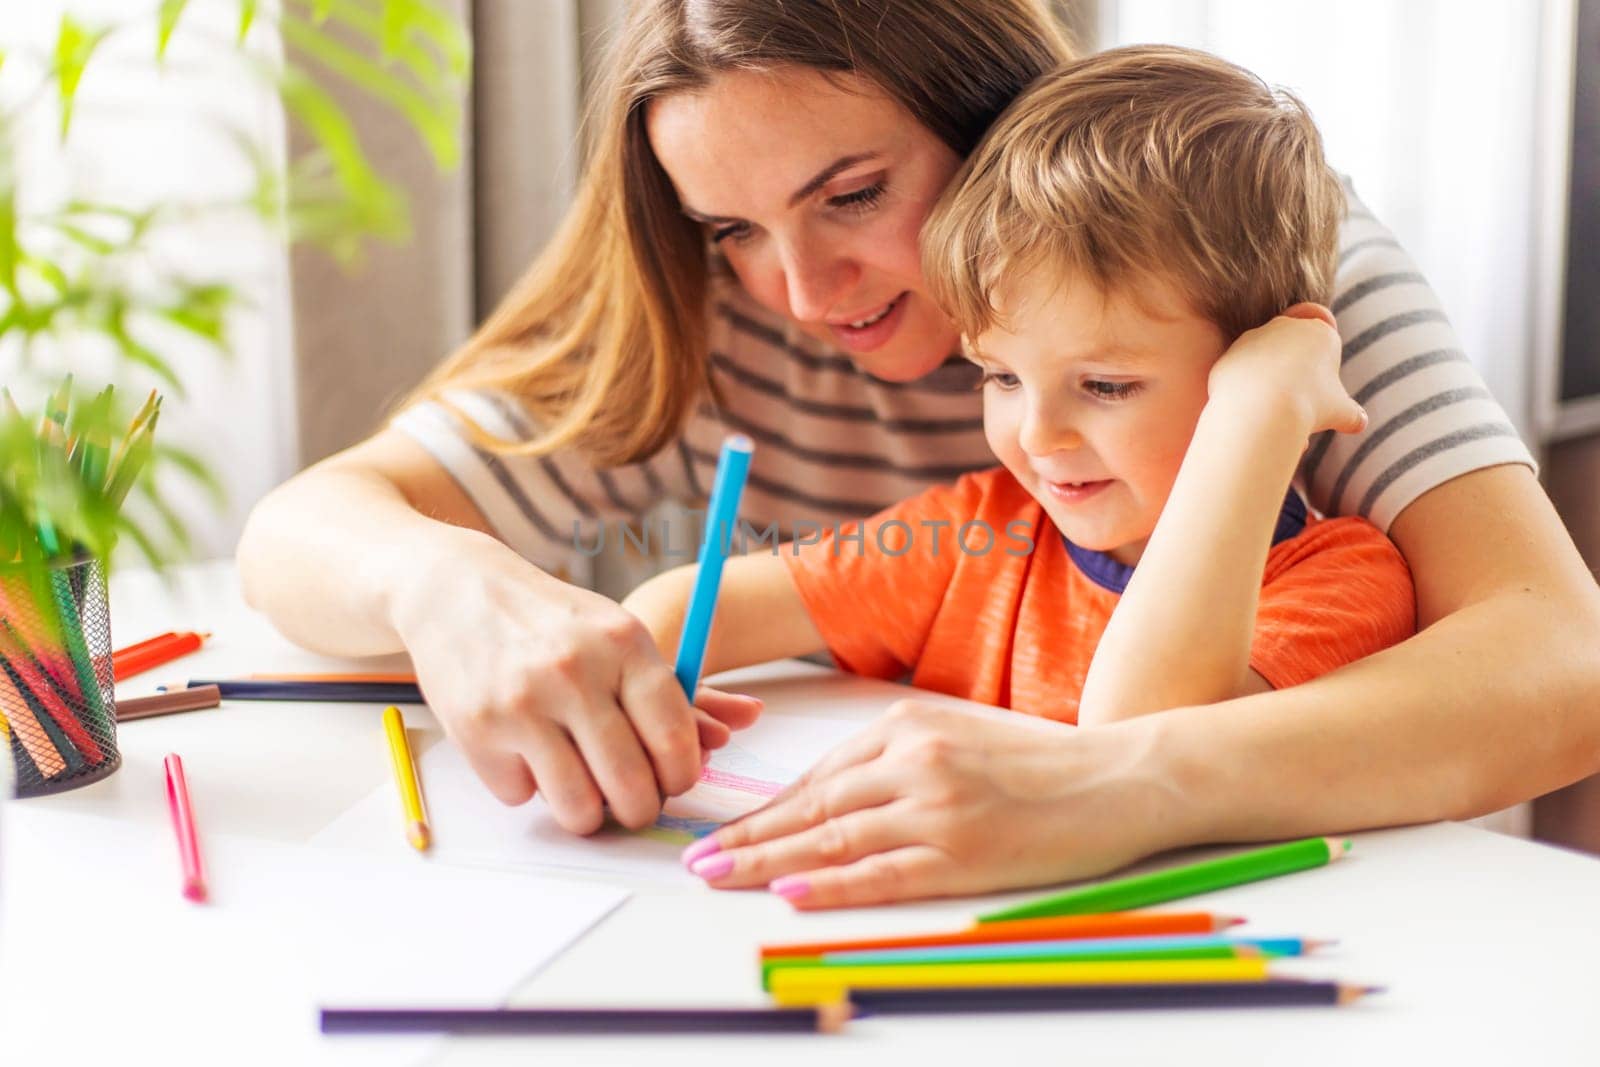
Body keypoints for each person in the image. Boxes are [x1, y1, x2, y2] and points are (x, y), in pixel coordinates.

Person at [237, 0, 1600, 906]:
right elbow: (302, 529)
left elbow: (1557, 656)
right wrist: (445, 582)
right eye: (734, 227)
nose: (804, 287)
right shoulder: (712, 314)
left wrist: (1121, 781)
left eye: (854, 196)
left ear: (995, 112)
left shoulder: (1247, 262)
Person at [621, 46, 1417, 896]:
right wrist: (633, 692)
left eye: (1105, 384)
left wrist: (1259, 414)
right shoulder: (980, 530)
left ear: (1255, 361)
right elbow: (687, 608)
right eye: (1000, 376)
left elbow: (1137, 732)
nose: (1037, 434)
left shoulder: (1342, 586)